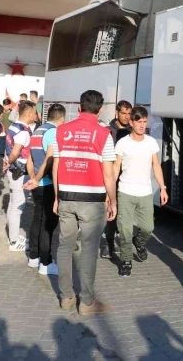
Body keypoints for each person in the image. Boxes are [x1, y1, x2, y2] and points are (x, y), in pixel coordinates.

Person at [53, 90, 117, 314]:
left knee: (64, 246)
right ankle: (87, 302)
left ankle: (66, 297)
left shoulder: (61, 131)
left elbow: (57, 166)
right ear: (100, 111)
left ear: (79, 108)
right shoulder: (104, 134)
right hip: (92, 200)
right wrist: (113, 201)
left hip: (67, 197)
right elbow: (108, 174)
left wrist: (56, 196)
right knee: (89, 250)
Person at [113, 106, 168, 277]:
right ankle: (126, 259)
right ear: (131, 122)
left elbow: (156, 166)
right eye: (139, 122)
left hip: (145, 192)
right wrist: (109, 192)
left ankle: (139, 242)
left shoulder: (151, 142)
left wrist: (163, 188)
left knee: (147, 227)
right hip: (125, 191)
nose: (142, 125)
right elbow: (116, 167)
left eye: (145, 122)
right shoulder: (122, 143)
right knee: (125, 229)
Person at [24, 103, 66, 276]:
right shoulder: (53, 132)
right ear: (62, 118)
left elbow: (29, 159)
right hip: (47, 183)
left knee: (36, 221)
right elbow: (50, 160)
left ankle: (33, 257)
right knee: (48, 225)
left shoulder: (37, 131)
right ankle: (46, 262)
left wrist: (32, 177)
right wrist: (38, 179)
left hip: (37, 184)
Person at [100, 100, 134, 259]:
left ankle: (120, 241)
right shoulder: (108, 131)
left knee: (123, 212)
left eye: (129, 114)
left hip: (127, 178)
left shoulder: (132, 131)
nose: (127, 117)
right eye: (123, 113)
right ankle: (108, 242)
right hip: (111, 176)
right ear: (116, 113)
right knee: (110, 210)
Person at [4, 100, 36, 252]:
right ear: (29, 114)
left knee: (12, 204)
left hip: (12, 172)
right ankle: (14, 241)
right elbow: (16, 152)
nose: (35, 115)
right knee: (18, 207)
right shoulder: (23, 132)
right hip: (19, 172)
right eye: (34, 112)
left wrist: (7, 163)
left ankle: (13, 235)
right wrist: (9, 162)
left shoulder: (13, 126)